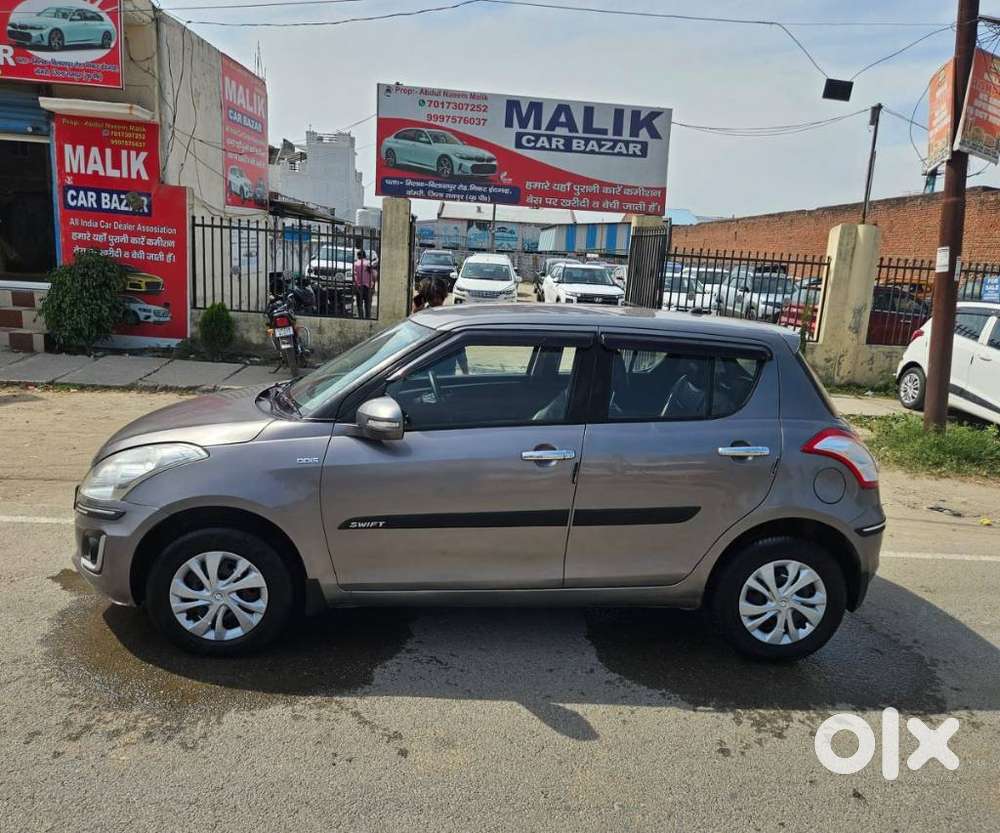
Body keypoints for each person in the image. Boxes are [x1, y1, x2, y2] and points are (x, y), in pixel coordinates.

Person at [353, 248, 376, 318]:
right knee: (368, 305)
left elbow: (354, 276)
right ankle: (367, 319)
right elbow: (374, 275)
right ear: (365, 255)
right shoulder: (369, 263)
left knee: (360, 305)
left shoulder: (356, 264)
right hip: (368, 286)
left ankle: (361, 318)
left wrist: (356, 286)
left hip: (359, 287)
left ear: (358, 256)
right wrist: (373, 286)